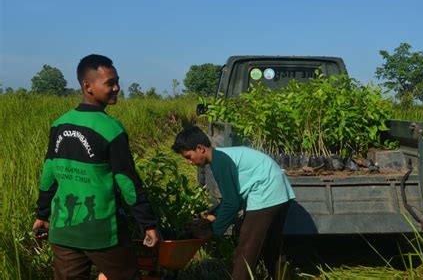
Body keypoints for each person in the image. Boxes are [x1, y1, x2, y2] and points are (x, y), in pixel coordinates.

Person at [32, 54, 159, 280]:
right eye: (110, 83)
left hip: (63, 229)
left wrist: (42, 213)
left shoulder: (60, 124)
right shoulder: (111, 129)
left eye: (117, 81)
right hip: (101, 232)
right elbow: (127, 181)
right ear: (87, 86)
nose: (117, 88)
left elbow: (48, 173)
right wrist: (148, 223)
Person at [172, 126, 295, 280]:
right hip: (279, 192)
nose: (189, 162)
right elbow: (231, 198)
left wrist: (213, 231)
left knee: (246, 249)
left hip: (266, 193)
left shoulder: (219, 162)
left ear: (200, 148)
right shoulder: (221, 156)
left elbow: (232, 203)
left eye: (189, 157)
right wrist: (212, 216)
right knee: (271, 247)